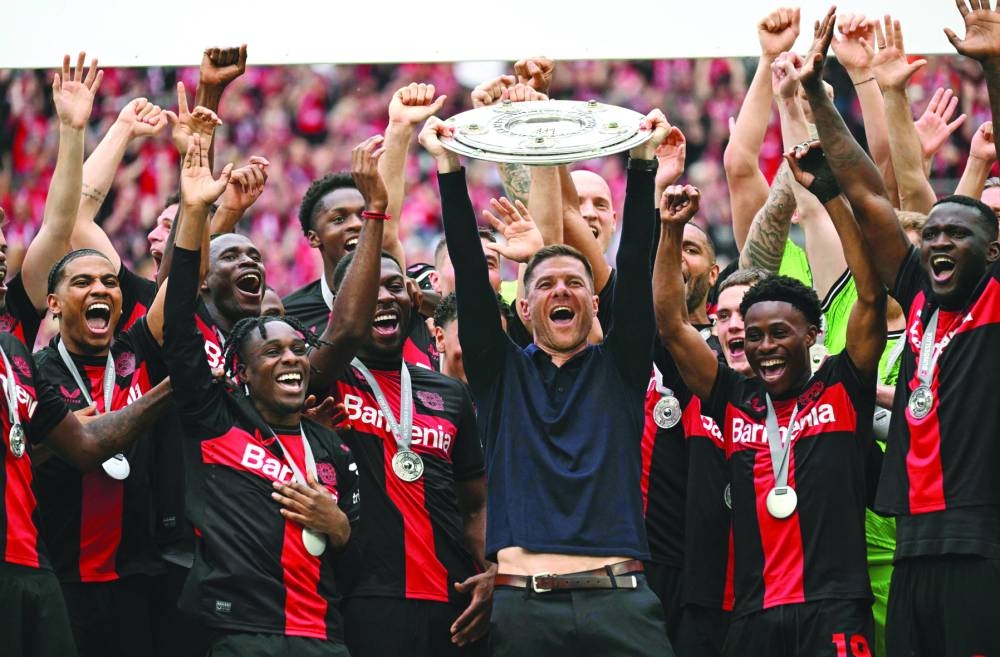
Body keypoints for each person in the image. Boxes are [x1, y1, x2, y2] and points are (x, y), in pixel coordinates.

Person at [425, 107, 675, 656]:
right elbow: (470, 273)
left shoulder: (622, 368)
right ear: (523, 305)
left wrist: (642, 162)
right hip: (525, 608)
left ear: (594, 302)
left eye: (575, 283)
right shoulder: (499, 374)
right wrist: (448, 168)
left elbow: (635, 266)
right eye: (545, 284)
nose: (561, 290)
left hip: (621, 603)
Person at [802, 3, 1000, 653]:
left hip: (981, 545)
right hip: (912, 543)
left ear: (992, 251)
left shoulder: (994, 300)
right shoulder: (917, 296)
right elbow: (867, 194)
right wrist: (818, 95)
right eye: (932, 232)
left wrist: (994, 68)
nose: (937, 241)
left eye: (956, 234)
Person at [160, 133, 362, 656]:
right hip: (242, 635)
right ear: (242, 373)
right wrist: (196, 215)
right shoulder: (216, 420)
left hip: (325, 637)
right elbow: (177, 324)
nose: (291, 359)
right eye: (271, 353)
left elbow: (358, 548)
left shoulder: (331, 446)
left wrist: (339, 525)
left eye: (297, 349)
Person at [306, 141, 490, 657]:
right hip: (363, 601)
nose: (384, 297)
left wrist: (492, 570)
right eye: (371, 289)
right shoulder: (324, 377)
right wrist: (374, 212)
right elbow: (345, 328)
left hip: (454, 602)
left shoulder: (448, 393)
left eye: (396, 287)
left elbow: (475, 503)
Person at [33, 248, 170, 657]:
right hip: (60, 579)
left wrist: (200, 216)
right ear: (54, 304)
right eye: (82, 282)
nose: (100, 288)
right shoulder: (35, 373)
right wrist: (63, 437)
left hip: (136, 581)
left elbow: (180, 286)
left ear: (121, 303)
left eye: (109, 282)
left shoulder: (138, 351)